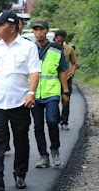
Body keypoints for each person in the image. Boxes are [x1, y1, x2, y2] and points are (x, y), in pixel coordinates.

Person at [0, 11, 41, 191]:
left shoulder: (28, 47)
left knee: (20, 138)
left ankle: (20, 174)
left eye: (1, 25)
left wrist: (31, 93)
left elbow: (34, 72)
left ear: (13, 27)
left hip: (20, 102)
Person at [32, 20, 70, 169]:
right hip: (34, 94)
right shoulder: (28, 49)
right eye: (36, 30)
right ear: (33, 32)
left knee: (52, 120)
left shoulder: (56, 49)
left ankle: (55, 149)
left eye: (41, 29)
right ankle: (43, 155)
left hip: (52, 92)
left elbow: (62, 71)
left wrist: (65, 92)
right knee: (38, 126)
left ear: (47, 31)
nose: (39, 32)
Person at [54, 30, 77, 130]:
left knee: (66, 100)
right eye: (58, 41)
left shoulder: (69, 49)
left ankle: (64, 120)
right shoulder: (50, 48)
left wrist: (72, 73)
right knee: (54, 101)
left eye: (61, 42)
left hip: (66, 78)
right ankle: (57, 118)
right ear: (55, 39)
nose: (59, 43)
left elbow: (74, 62)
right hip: (53, 79)